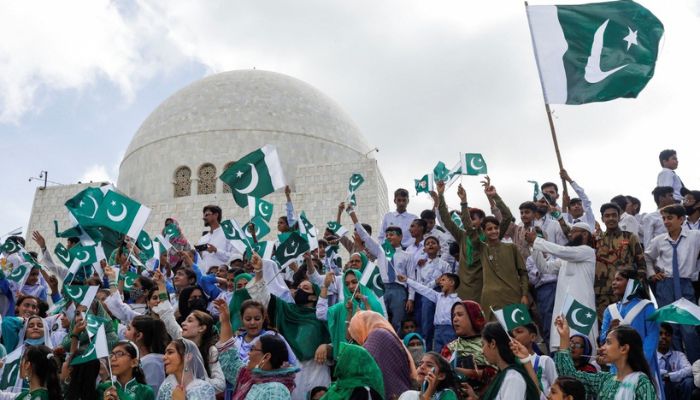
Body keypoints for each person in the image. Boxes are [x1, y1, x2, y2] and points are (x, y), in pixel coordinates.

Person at [526, 222, 597, 351]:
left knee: (582, 343)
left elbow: (562, 250)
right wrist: (534, 247)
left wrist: (537, 240)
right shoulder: (565, 259)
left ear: (585, 234)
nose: (570, 234)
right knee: (563, 344)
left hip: (581, 305)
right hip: (565, 306)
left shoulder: (587, 251)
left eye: (574, 231)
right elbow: (545, 268)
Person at [152, 271, 225, 393]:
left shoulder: (210, 350)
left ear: (202, 328)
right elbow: (167, 316)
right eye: (184, 321)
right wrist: (161, 285)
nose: (183, 324)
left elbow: (220, 384)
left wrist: (192, 380)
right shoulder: (180, 339)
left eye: (190, 321)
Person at [645, 204, 700, 362]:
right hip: (666, 285)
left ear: (681, 219)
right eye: (664, 218)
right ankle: (675, 365)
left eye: (670, 218)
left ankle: (695, 365)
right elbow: (647, 257)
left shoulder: (694, 236)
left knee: (690, 328)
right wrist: (652, 274)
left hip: (685, 284)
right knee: (670, 327)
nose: (666, 221)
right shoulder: (658, 240)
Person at [554, 316, 657, 400]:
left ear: (624, 348)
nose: (602, 348)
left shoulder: (641, 383)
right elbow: (570, 377)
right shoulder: (605, 380)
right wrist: (564, 337)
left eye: (608, 342)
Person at [214, 299, 299, 399]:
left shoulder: (275, 390)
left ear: (266, 356)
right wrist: (225, 321)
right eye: (248, 319)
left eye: (252, 349)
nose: (249, 354)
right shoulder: (250, 377)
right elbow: (229, 361)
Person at [348, 206, 411, 333]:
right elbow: (365, 237)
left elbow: (411, 278)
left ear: (400, 237)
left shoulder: (407, 255)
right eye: (387, 235)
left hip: (399, 290)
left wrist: (411, 298)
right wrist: (352, 214)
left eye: (392, 235)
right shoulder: (380, 251)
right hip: (382, 289)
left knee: (398, 321)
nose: (388, 237)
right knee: (381, 318)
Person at [600, 269, 662, 390]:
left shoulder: (647, 307)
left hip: (642, 366)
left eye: (619, 279)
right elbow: (603, 340)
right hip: (616, 368)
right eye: (613, 279)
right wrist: (609, 330)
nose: (613, 283)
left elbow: (652, 337)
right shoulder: (610, 310)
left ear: (631, 283)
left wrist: (640, 363)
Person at [594, 203, 646, 320]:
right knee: (604, 326)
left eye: (614, 215)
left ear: (619, 217)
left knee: (626, 325)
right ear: (602, 219)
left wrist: (637, 287)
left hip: (625, 291)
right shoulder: (596, 239)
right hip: (602, 293)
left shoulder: (630, 237)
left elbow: (641, 264)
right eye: (607, 216)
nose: (611, 218)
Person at [348, 310, 416, 399]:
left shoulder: (375, 338)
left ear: (360, 327)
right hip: (403, 392)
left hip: (392, 393)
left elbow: (364, 368)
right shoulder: (384, 334)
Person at [463, 322, 539, 400]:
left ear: (492, 344)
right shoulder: (503, 375)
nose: (482, 351)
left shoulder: (512, 378)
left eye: (483, 344)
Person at [318, 269, 384, 358]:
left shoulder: (373, 304)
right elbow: (321, 314)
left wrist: (367, 309)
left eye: (354, 282)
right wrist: (325, 286)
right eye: (347, 284)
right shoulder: (342, 307)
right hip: (347, 360)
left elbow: (379, 335)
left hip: (370, 359)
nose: (351, 286)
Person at [441, 300, 494, 395]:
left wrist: (477, 374)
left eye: (460, 315)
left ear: (473, 317)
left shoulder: (491, 344)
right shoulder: (449, 349)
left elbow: (500, 372)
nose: (455, 319)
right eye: (453, 316)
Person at [399, 272, 461, 351]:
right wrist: (407, 280)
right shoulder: (438, 297)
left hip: (450, 330)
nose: (440, 282)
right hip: (437, 330)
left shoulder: (458, 301)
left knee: (450, 356)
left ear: (452, 283)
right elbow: (423, 289)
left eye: (443, 280)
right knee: (437, 356)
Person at [123, 316, 169, 394]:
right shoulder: (143, 359)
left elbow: (151, 393)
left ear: (139, 336)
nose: (124, 332)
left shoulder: (152, 363)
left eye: (128, 329)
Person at [511, 323, 557, 395]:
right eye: (511, 333)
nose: (514, 335)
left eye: (519, 331)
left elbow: (556, 388)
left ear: (532, 337)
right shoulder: (511, 364)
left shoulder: (544, 360)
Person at [657, 323, 694, 399]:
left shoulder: (679, 355)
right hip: (660, 390)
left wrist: (669, 376)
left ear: (671, 338)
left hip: (678, 389)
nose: (664, 337)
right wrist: (666, 375)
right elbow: (652, 371)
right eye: (660, 334)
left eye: (667, 335)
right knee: (662, 383)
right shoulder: (651, 357)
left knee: (689, 382)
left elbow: (689, 370)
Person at [196, 205, 235, 270]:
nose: (204, 218)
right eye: (203, 215)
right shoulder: (202, 239)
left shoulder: (227, 234)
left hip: (222, 276)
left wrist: (216, 250)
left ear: (216, 215)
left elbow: (233, 258)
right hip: (206, 277)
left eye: (206, 215)